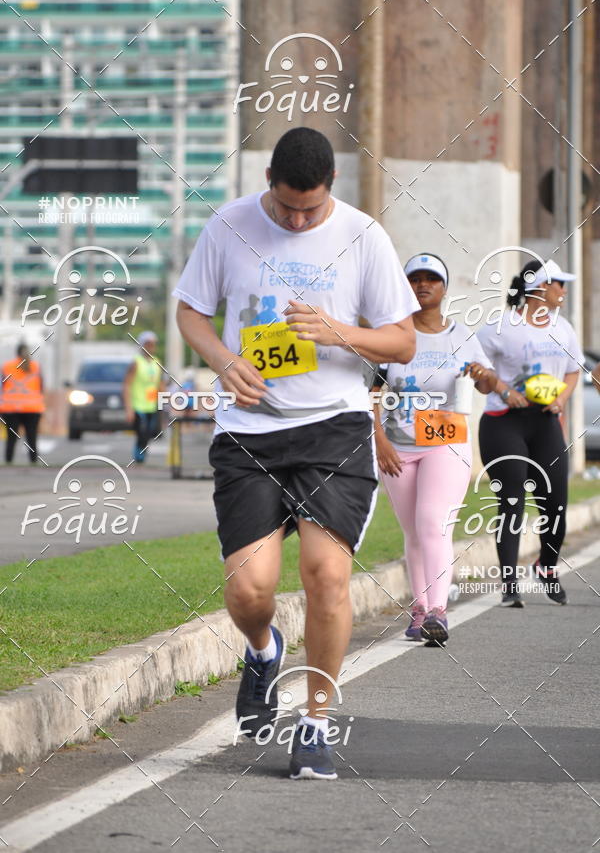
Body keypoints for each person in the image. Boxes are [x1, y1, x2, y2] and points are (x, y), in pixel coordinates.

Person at [174, 127, 418, 779]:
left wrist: (339, 332)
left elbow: (402, 341)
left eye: (310, 209)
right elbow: (191, 312)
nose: (298, 220)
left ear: (330, 185)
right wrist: (223, 360)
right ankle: (263, 649)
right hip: (249, 431)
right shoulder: (229, 226)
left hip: (334, 428)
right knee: (250, 590)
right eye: (286, 208)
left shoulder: (364, 236)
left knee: (325, 577)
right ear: (269, 185)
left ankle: (315, 723)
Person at [373, 254, 497, 646]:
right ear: (404, 286)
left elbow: (487, 384)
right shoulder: (391, 336)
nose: (423, 285)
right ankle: (420, 608)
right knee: (413, 530)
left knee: (434, 523)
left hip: (447, 444)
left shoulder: (462, 336)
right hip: (398, 446)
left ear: (444, 288)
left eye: (432, 279)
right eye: (415, 279)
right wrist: (379, 442)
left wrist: (484, 375)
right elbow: (370, 394)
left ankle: (438, 611)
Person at [477, 258, 584, 607]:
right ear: (539, 287)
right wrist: (502, 388)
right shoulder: (501, 326)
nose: (563, 290)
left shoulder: (563, 328)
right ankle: (510, 584)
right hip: (503, 422)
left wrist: (562, 399)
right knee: (512, 502)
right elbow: (476, 367)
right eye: (559, 283)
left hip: (545, 423)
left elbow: (573, 371)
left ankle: (546, 567)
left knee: (555, 507)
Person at [123, 331, 164, 464]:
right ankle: (138, 456)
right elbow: (126, 385)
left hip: (151, 405)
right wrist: (128, 409)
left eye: (153, 344)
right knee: (142, 432)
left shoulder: (157, 362)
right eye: (148, 344)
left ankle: (141, 453)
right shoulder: (136, 363)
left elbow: (160, 384)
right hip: (138, 405)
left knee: (150, 433)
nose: (151, 347)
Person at [0, 343, 45, 464]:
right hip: (32, 408)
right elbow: (41, 387)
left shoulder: (7, 366)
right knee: (32, 437)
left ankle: (8, 462)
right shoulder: (36, 366)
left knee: (11, 438)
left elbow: (2, 387)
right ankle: (33, 462)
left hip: (10, 408)